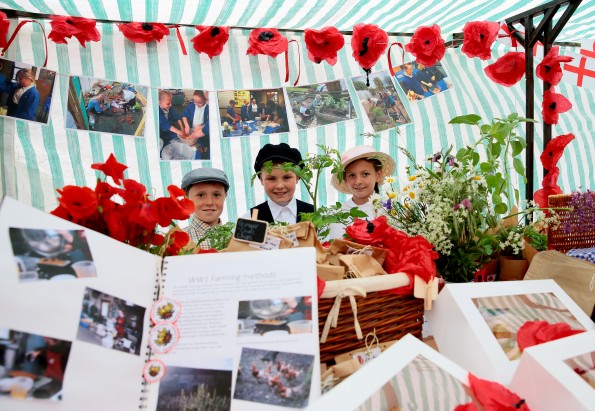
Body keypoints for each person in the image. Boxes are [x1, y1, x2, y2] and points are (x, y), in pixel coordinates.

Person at [326, 145, 396, 240]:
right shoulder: (334, 214)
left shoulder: (391, 211)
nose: (358, 181)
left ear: (378, 175)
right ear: (345, 179)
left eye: (365, 174)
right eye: (352, 175)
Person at [247, 143, 314, 224]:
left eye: (287, 177)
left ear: (297, 177)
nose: (280, 186)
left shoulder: (316, 215)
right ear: (261, 180)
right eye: (271, 178)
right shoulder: (249, 219)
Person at [181, 167, 230, 249]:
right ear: (186, 198)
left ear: (225, 196)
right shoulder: (177, 241)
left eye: (216, 195)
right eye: (201, 195)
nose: (209, 202)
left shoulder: (235, 239)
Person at [181, 90, 210, 159]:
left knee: (202, 148)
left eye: (199, 102)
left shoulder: (208, 108)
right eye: (195, 101)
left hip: (204, 135)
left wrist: (202, 126)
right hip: (192, 130)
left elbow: (210, 122)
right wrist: (187, 126)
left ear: (205, 100)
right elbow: (184, 115)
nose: (196, 104)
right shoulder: (191, 106)